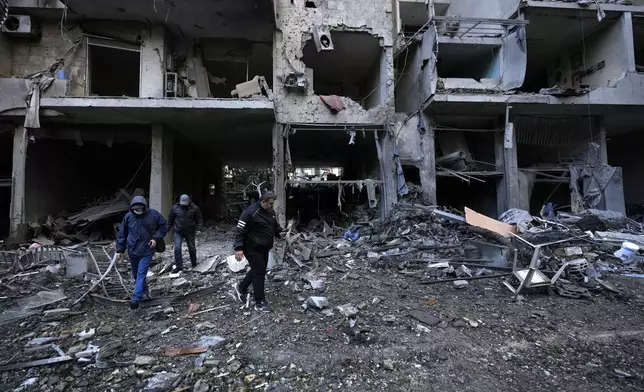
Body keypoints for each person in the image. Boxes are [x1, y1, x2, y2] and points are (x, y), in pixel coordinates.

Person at [233, 191, 283, 312]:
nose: (271, 206)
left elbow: (273, 226)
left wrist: (279, 232)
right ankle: (259, 302)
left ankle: (240, 288)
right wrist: (238, 248)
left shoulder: (270, 212)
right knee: (259, 274)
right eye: (269, 204)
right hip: (251, 248)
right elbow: (240, 231)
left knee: (258, 270)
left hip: (264, 248)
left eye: (273, 204)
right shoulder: (249, 213)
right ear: (262, 201)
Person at [116, 196, 168, 309]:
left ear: (145, 207)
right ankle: (145, 292)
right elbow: (122, 233)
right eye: (136, 210)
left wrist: (156, 238)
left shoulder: (153, 214)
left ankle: (136, 298)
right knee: (136, 275)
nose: (138, 212)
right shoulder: (128, 217)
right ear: (132, 208)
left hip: (147, 250)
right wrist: (120, 249)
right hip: (132, 250)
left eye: (140, 209)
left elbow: (164, 226)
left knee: (141, 274)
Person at [167, 194, 203, 271]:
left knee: (192, 248)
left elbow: (199, 219)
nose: (183, 205)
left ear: (188, 201)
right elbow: (170, 219)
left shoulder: (194, 208)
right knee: (177, 248)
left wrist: (199, 229)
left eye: (184, 203)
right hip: (178, 232)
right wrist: (166, 229)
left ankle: (194, 264)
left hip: (190, 232)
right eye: (181, 203)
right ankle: (179, 266)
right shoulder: (175, 208)